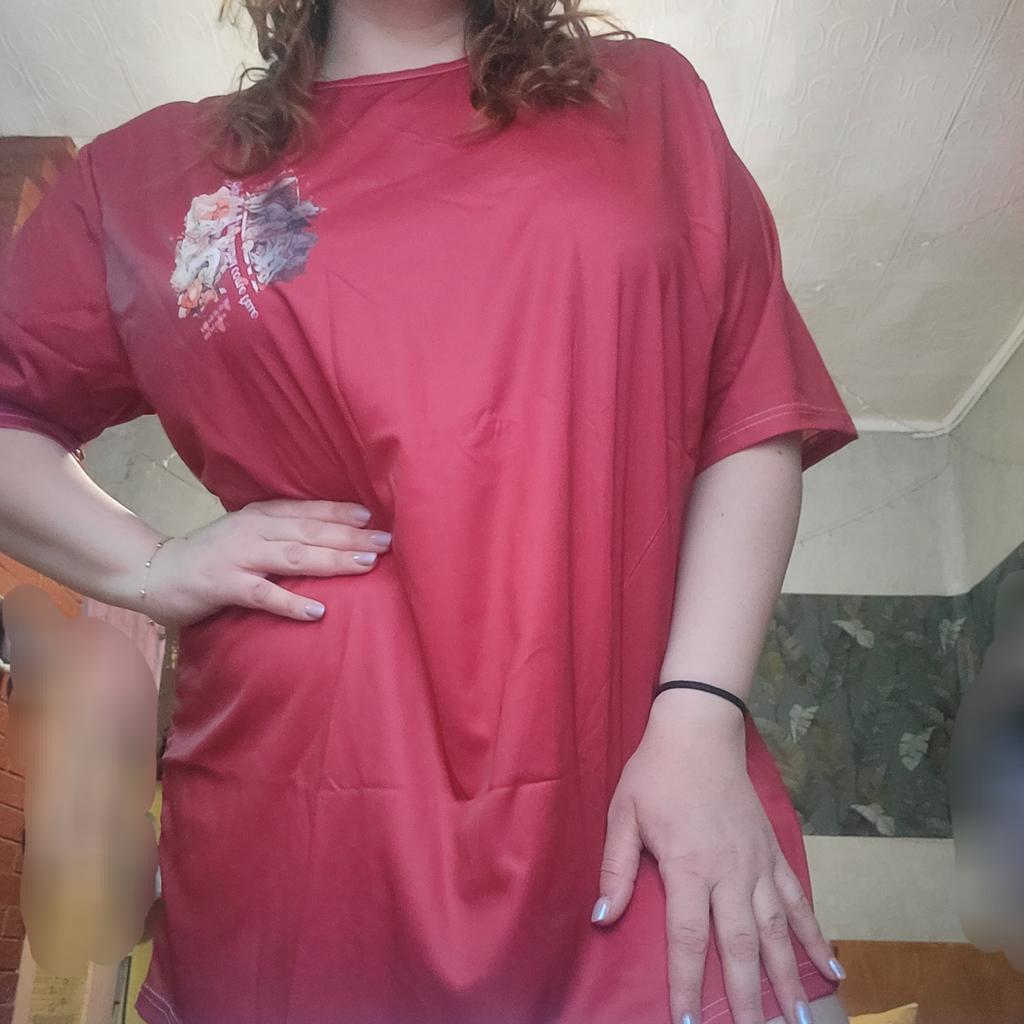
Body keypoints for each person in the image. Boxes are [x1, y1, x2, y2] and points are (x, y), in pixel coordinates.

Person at [0, 1, 859, 1022]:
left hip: (647, 802)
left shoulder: (648, 102)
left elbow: (747, 411)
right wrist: (151, 566)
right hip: (297, 839)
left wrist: (702, 713)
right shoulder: (142, 180)